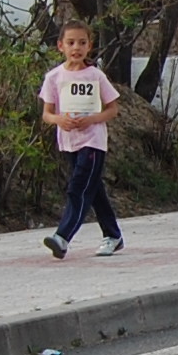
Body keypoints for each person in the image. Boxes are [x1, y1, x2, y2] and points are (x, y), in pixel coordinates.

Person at [39, 20, 124, 260]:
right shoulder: (54, 77)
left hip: (93, 140)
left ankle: (62, 237)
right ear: (60, 46)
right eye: (71, 43)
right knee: (93, 189)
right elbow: (47, 113)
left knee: (78, 187)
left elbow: (112, 108)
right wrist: (59, 120)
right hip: (68, 142)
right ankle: (113, 235)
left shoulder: (96, 75)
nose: (76, 48)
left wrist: (93, 119)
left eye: (82, 43)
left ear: (90, 46)